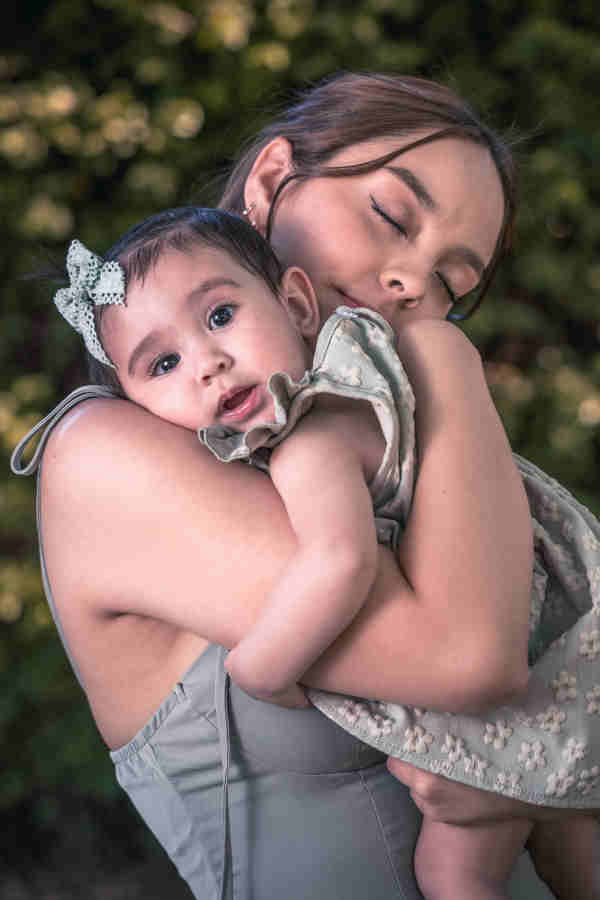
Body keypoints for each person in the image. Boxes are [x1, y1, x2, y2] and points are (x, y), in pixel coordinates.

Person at [8, 71, 592, 899]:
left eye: (452, 285)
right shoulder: (105, 453)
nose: (412, 282)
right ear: (272, 179)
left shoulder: (384, 444)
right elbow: (471, 660)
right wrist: (447, 353)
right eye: (392, 215)